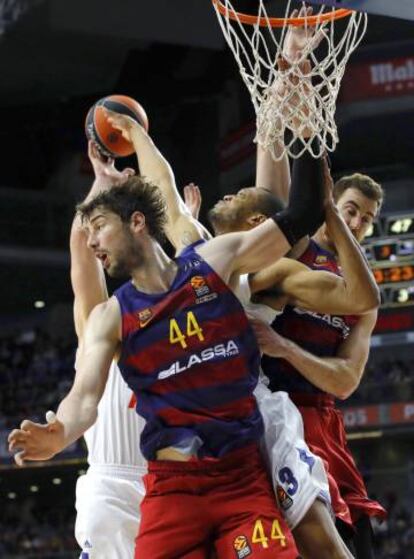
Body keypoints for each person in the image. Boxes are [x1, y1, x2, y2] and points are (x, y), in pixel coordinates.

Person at [8, 120, 328, 557]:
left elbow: (301, 213)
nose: (93, 241)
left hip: (239, 477)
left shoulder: (212, 264)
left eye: (100, 226)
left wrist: (305, 128)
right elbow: (84, 398)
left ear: (137, 222)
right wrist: (60, 431)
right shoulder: (111, 317)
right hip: (170, 489)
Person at [101, 106, 378, 559]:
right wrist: (136, 135)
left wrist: (331, 215)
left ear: (255, 223)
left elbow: (360, 299)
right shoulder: (198, 251)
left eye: (241, 195)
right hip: (196, 425)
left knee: (316, 536)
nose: (229, 195)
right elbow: (164, 193)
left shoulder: (270, 273)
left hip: (255, 411)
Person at [257, 172, 387, 559]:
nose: (358, 223)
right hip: (266, 408)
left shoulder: (364, 292)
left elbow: (345, 381)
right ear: (330, 208)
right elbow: (271, 191)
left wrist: (287, 349)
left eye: (367, 218)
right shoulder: (294, 250)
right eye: (351, 210)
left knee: (354, 534)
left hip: (320, 418)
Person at [70, 142, 146, 558]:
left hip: (172, 488)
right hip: (113, 491)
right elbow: (82, 263)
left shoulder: (172, 330)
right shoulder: (98, 327)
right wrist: (100, 186)